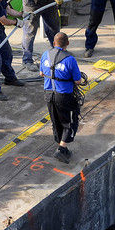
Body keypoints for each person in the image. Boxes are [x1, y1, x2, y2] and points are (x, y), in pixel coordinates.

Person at [40, 32, 82, 164]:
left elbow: (41, 73)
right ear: (67, 44)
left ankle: (61, 145)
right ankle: (61, 149)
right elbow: (78, 81)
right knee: (69, 122)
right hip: (63, 96)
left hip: (48, 94)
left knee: (56, 121)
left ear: (53, 43)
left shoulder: (45, 55)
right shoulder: (70, 59)